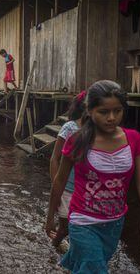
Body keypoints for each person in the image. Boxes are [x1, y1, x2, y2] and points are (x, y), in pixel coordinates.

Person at [46, 80, 140, 273]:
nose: (112, 118)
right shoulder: (77, 141)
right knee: (95, 267)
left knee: (92, 264)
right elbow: (60, 180)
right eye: (104, 112)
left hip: (114, 222)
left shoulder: (133, 139)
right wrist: (50, 217)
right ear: (89, 110)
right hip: (82, 220)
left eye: (117, 111)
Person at [49, 90, 86, 248]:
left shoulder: (98, 131)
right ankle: (55, 245)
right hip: (67, 187)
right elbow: (54, 159)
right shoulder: (70, 127)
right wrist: (56, 186)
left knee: (81, 227)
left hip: (85, 189)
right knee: (64, 228)